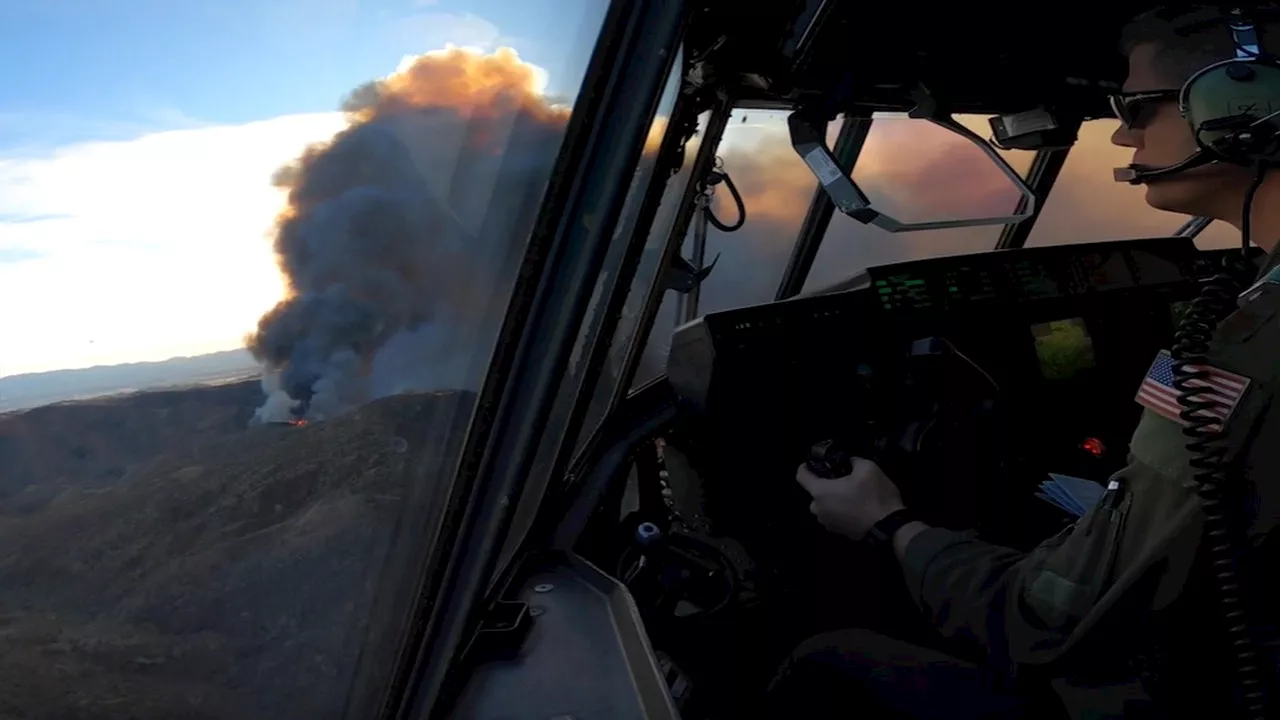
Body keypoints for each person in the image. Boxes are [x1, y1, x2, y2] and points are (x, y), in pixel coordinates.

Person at [768, 7, 1280, 720]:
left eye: (1137, 108)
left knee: (825, 662)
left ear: (1242, 112)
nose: (1122, 132)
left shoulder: (1246, 346)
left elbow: (1047, 621)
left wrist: (888, 524)